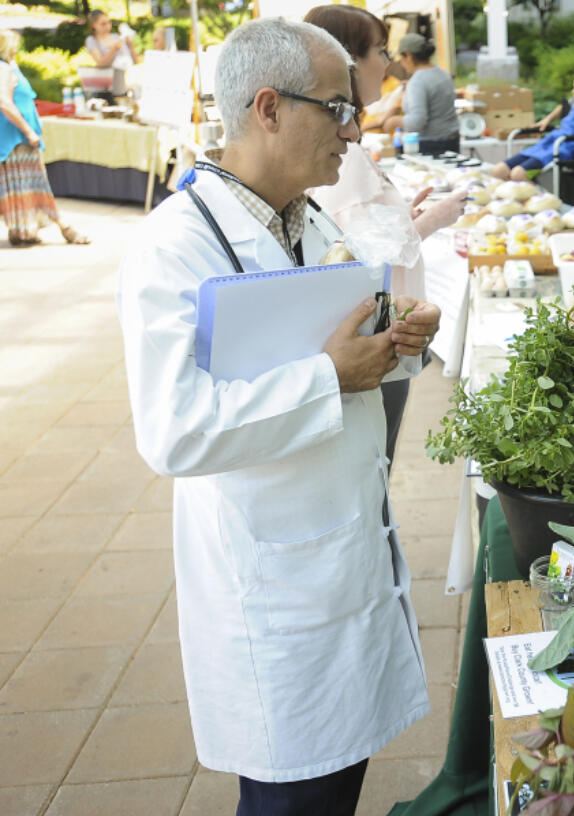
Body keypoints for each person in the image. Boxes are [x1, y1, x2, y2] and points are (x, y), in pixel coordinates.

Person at [116, 18, 441, 814]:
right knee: (290, 800)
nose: (353, 130)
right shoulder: (174, 249)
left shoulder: (311, 219)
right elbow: (174, 429)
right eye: (338, 108)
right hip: (273, 592)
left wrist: (394, 338)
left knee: (336, 786)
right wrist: (331, 376)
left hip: (341, 566)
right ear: (268, 108)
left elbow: (333, 341)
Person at [304, 3, 466, 467]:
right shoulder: (344, 153)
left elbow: (354, 229)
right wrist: (431, 220)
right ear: (344, 62)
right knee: (374, 461)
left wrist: (403, 214)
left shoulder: (345, 145)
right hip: (377, 330)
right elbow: (352, 250)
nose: (388, 63)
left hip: (384, 327)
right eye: (378, 50)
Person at [0, 30, 89, 246]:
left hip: (18, 138)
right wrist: (28, 131)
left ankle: (23, 230)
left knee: (24, 187)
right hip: (16, 138)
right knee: (33, 185)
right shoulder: (3, 68)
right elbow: (4, 102)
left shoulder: (9, 67)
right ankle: (63, 227)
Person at [394, 32, 459, 154]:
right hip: (452, 141)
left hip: (430, 145)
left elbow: (417, 121)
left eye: (401, 59)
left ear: (409, 56)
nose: (401, 64)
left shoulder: (418, 81)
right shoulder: (442, 74)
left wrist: (394, 121)